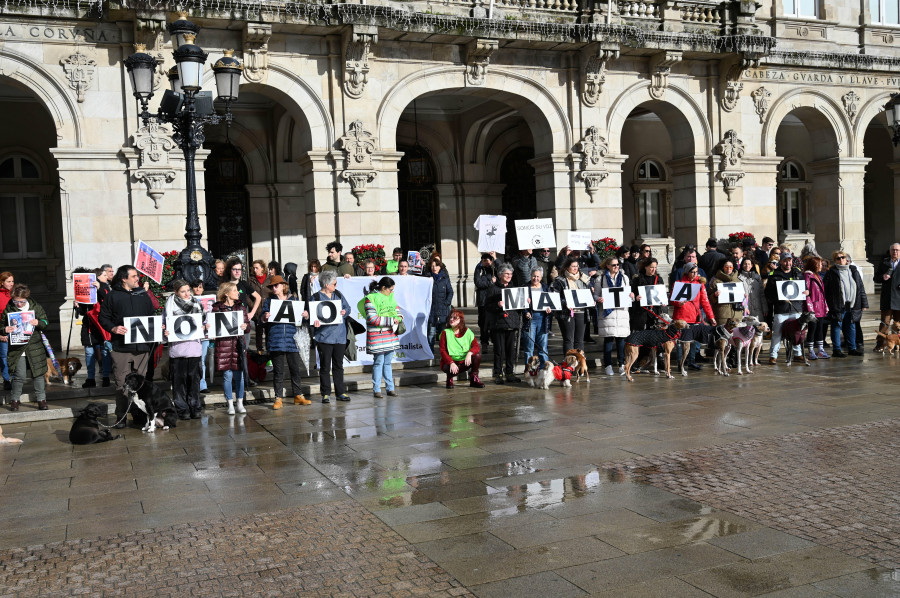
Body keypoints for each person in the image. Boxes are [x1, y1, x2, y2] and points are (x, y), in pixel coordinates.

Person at [98, 265, 160, 427]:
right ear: (124, 278)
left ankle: (139, 415)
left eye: (137, 276)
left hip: (142, 348)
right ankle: (121, 417)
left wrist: (157, 328)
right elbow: (103, 317)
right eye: (134, 276)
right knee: (122, 385)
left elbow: (151, 316)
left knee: (140, 385)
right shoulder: (113, 296)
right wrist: (113, 328)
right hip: (121, 347)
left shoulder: (143, 295)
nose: (137, 278)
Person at [304, 270, 352, 404]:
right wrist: (313, 321)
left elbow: (348, 308)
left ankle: (340, 392)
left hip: (340, 337)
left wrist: (344, 311)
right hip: (324, 337)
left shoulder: (338, 294)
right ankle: (325, 393)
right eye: (334, 283)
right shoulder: (315, 298)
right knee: (325, 367)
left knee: (338, 365)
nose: (336, 286)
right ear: (326, 284)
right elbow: (310, 318)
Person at [261, 275, 309, 409]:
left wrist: (306, 316)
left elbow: (302, 321)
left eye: (276, 285)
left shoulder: (294, 299)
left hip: (292, 339)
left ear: (283, 286)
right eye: (272, 286)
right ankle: (278, 397)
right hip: (276, 340)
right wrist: (265, 317)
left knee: (295, 369)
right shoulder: (269, 301)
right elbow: (262, 319)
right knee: (278, 371)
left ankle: (298, 395)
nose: (274, 288)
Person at [2, 285, 49, 411]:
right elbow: (1, 326)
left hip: (34, 345)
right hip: (17, 348)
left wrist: (38, 323)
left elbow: (45, 322)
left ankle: (41, 400)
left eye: (22, 301)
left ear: (26, 298)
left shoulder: (35, 307)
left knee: (38, 374)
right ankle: (15, 400)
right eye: (16, 301)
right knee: (19, 376)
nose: (19, 304)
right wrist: (5, 329)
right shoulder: (9, 309)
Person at [164, 279, 205, 420]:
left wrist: (205, 327)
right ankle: (182, 409)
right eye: (183, 291)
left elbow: (204, 321)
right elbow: (164, 324)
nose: (187, 294)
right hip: (178, 350)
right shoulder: (169, 305)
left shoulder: (197, 303)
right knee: (179, 382)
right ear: (176, 292)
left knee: (194, 380)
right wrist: (165, 331)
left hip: (194, 348)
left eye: (188, 290)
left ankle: (195, 407)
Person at [212, 282, 250, 415]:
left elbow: (248, 326)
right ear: (226, 293)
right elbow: (213, 326)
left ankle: (240, 402)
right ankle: (230, 404)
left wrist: (245, 326)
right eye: (234, 290)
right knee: (227, 376)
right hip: (223, 346)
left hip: (237, 345)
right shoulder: (217, 308)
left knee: (239, 375)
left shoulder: (241, 307)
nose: (237, 292)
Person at [361, 277, 402, 398]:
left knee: (388, 362)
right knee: (379, 362)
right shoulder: (370, 298)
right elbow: (372, 318)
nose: (392, 292)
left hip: (390, 334)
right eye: (390, 289)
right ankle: (377, 389)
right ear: (383, 288)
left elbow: (398, 312)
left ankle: (390, 388)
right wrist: (392, 320)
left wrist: (398, 318)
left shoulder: (390, 297)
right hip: (378, 336)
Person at [764, 252, 808, 364]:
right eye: (785, 260)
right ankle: (773, 355)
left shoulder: (797, 273)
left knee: (797, 332)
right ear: (781, 262)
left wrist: (807, 291)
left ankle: (798, 354)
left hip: (796, 308)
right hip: (781, 309)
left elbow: (805, 288)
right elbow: (768, 293)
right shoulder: (774, 275)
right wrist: (779, 298)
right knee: (777, 333)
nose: (788, 263)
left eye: (790, 260)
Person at [672, 262, 716, 370]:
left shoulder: (699, 284)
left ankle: (691, 361)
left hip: (694, 316)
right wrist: (679, 303)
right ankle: (680, 363)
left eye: (696, 272)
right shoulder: (678, 283)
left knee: (694, 340)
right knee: (681, 341)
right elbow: (672, 300)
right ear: (687, 272)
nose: (695, 274)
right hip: (681, 316)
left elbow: (705, 302)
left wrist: (711, 317)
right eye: (692, 272)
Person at [225, 258, 262, 387]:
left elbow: (258, 297)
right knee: (232, 350)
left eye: (239, 269)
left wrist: (251, 313)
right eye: (234, 269)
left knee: (244, 350)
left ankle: (245, 378)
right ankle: (234, 379)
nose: (237, 272)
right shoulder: (225, 285)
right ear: (230, 270)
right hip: (229, 320)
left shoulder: (244, 284)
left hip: (243, 320)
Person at [823, 250, 868, 358]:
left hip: (852, 304)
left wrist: (864, 303)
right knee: (837, 326)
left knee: (851, 326)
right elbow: (825, 290)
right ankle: (837, 350)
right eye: (838, 258)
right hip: (838, 304)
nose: (841, 260)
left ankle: (852, 348)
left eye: (843, 257)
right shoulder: (831, 273)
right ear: (835, 261)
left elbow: (860, 288)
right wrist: (827, 304)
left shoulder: (853, 270)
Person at [595, 256, 634, 376]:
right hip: (607, 313)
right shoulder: (600, 279)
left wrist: (631, 295)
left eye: (617, 264)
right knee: (608, 340)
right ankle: (608, 365)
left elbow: (628, 293)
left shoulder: (624, 278)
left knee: (621, 340)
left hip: (621, 312)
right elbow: (595, 295)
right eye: (613, 265)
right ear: (607, 266)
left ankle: (621, 364)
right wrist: (598, 299)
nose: (616, 267)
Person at [484, 263, 522, 384]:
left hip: (511, 324)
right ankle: (498, 373)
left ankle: (510, 373)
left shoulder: (514, 288)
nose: (509, 276)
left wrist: (525, 302)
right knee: (499, 351)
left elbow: (519, 308)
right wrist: (497, 305)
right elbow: (487, 307)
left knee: (511, 351)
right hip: (498, 324)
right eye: (507, 273)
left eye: (510, 274)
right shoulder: (493, 288)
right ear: (500, 274)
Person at [77, 267, 111, 389]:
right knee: (89, 352)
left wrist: (99, 288)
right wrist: (77, 306)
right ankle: (90, 378)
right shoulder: (86, 288)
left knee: (105, 351)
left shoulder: (104, 287)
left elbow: (109, 299)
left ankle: (106, 377)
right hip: (89, 326)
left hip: (102, 324)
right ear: (97, 276)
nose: (106, 277)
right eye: (103, 275)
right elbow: (83, 311)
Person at [551, 257, 591, 354]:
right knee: (569, 340)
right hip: (566, 313)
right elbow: (554, 297)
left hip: (581, 312)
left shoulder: (583, 279)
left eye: (577, 266)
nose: (575, 268)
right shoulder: (560, 280)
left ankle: (579, 364)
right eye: (573, 266)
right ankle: (569, 365)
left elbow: (589, 294)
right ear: (567, 267)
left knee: (579, 340)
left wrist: (591, 299)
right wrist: (565, 302)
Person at [440, 310, 485, 388]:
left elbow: (476, 346)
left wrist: (469, 353)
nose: (451, 319)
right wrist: (451, 363)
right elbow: (442, 351)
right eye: (450, 317)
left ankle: (474, 379)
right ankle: (449, 378)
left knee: (477, 356)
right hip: (451, 362)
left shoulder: (467, 331)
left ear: (460, 320)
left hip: (464, 361)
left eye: (454, 318)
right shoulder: (445, 332)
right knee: (447, 367)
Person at [522, 268, 551, 367]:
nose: (535, 278)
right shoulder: (525, 287)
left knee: (543, 347)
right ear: (530, 276)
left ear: (541, 277)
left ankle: (544, 370)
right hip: (530, 319)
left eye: (538, 276)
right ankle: (529, 370)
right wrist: (526, 311)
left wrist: (550, 309)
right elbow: (521, 304)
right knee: (529, 347)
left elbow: (551, 302)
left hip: (543, 318)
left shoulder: (545, 287)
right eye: (534, 276)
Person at [874, 243, 900, 351]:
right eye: (893, 250)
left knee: (898, 324)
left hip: (899, 298)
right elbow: (876, 278)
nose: (895, 252)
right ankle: (880, 344)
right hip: (887, 299)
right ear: (890, 251)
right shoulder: (884, 262)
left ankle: (897, 344)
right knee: (885, 322)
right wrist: (882, 277)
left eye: (897, 250)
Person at [425, 256, 453, 353]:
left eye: (436, 265)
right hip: (431, 310)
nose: (434, 268)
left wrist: (446, 303)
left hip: (442, 309)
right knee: (431, 334)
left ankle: (443, 353)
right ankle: (430, 353)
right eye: (432, 266)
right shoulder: (427, 279)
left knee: (442, 334)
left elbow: (450, 292)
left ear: (440, 267)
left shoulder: (445, 279)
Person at [803, 256, 829, 360]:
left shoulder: (817, 275)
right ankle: (811, 350)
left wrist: (825, 305)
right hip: (813, 307)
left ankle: (821, 350)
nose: (821, 266)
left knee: (820, 329)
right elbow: (806, 293)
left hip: (820, 306)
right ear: (814, 265)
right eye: (819, 264)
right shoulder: (808, 275)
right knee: (812, 329)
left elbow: (822, 293)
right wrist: (810, 308)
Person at [629, 257, 664, 332]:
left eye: (655, 267)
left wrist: (663, 300)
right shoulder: (638, 279)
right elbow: (632, 293)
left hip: (655, 311)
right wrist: (636, 297)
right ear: (646, 267)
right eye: (651, 267)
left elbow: (662, 293)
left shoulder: (659, 279)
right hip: (642, 311)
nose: (653, 269)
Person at [190, 279, 212, 394]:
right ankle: (194, 384)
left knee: (202, 360)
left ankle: (202, 385)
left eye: (200, 287)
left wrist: (210, 327)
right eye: (195, 287)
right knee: (193, 360)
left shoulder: (208, 302)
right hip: (192, 335)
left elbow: (211, 316)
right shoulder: (188, 301)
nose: (198, 289)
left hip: (204, 335)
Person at [709, 259, 746, 325]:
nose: (728, 269)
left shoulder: (738, 281)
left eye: (730, 267)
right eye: (726, 267)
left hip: (737, 315)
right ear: (722, 267)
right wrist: (714, 295)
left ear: (733, 267)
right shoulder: (716, 281)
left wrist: (744, 297)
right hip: (722, 315)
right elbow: (709, 299)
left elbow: (743, 301)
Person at [248, 260, 272, 354]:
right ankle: (259, 350)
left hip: (267, 309)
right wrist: (253, 305)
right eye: (253, 268)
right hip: (257, 309)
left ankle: (269, 350)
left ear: (262, 268)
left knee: (268, 331)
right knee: (259, 331)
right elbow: (247, 295)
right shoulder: (251, 280)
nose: (255, 269)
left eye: (257, 267)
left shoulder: (269, 279)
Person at [473, 253, 496, 348]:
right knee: (483, 324)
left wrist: (494, 260)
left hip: (493, 300)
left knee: (493, 323)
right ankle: (484, 343)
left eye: (488, 260)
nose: (486, 262)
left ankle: (494, 341)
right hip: (483, 301)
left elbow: (498, 278)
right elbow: (478, 283)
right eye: (484, 260)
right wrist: (490, 282)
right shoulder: (479, 269)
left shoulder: (493, 269)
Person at [0, 272, 12, 390]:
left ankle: (16, 378)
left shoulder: (15, 294)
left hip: (15, 330)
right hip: (3, 330)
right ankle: (7, 379)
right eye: (8, 281)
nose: (11, 284)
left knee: (15, 355)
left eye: (12, 281)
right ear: (2, 282)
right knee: (4, 356)